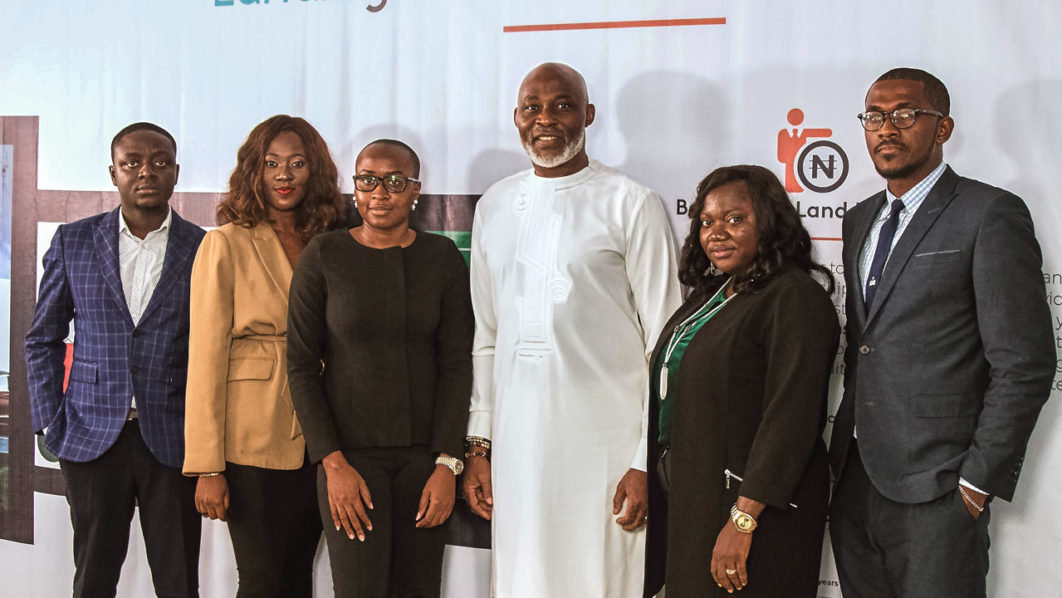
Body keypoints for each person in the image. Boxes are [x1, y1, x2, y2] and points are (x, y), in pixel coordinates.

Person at [829, 68, 1055, 597]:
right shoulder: (859, 220)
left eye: (905, 114)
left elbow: (1024, 364)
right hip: (856, 477)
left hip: (941, 485)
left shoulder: (988, 213)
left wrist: (976, 482)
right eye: (874, 117)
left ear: (943, 127)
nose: (887, 128)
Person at [462, 62, 682, 597]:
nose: (545, 119)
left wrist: (644, 460)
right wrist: (479, 446)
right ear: (516, 117)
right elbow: (487, 338)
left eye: (562, 105)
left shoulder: (631, 202)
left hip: (608, 454)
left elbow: (666, 346)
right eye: (532, 107)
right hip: (518, 450)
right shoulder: (494, 205)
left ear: (588, 114)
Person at [286, 139, 473, 597]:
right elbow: (301, 366)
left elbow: (456, 366)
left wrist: (448, 464)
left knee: (419, 591)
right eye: (368, 180)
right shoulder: (324, 254)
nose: (380, 193)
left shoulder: (442, 258)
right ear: (355, 188)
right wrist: (332, 464)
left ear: (416, 190)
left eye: (394, 181)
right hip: (349, 460)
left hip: (425, 463)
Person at [25, 122, 205, 597]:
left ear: (176, 172)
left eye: (159, 162)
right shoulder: (74, 241)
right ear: (114, 173)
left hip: (173, 439)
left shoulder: (204, 248)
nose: (146, 172)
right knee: (93, 579)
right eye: (132, 163)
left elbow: (213, 350)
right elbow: (42, 339)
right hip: (90, 437)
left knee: (179, 582)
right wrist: (48, 421)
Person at [642, 165, 839, 597]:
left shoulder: (794, 297)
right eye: (706, 222)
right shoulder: (713, 294)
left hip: (754, 515)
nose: (717, 233)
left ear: (769, 221)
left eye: (735, 219)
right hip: (697, 500)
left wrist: (743, 519)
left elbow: (792, 419)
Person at [183, 115, 347, 597]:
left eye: (297, 163)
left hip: (323, 437)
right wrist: (207, 466)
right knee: (262, 580)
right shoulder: (224, 243)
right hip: (251, 442)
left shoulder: (332, 242)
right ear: (254, 170)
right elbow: (206, 357)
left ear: (315, 171)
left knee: (296, 578)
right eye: (272, 163)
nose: (284, 175)